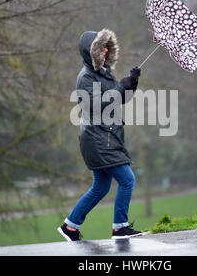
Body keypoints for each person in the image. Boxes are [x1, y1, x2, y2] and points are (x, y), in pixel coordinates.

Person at [57, 28, 143, 241]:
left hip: (105, 136)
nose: (105, 50)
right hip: (98, 139)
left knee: (101, 187)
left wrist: (131, 84)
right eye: (100, 47)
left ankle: (70, 227)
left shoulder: (104, 72)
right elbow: (96, 105)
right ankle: (120, 228)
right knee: (127, 180)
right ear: (91, 51)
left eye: (107, 46)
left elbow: (118, 99)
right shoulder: (85, 78)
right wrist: (119, 89)